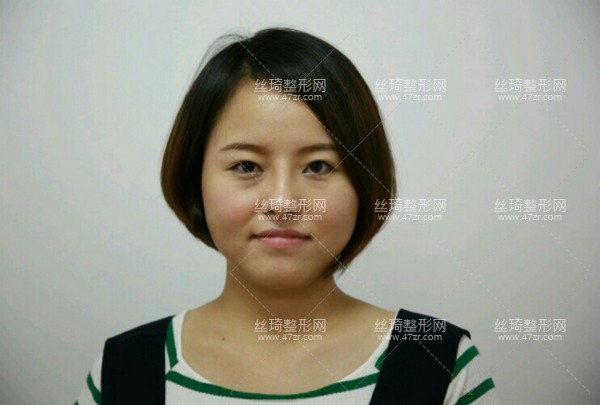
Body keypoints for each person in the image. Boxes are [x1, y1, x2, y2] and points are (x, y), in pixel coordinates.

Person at [75, 27, 500, 404]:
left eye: (318, 166)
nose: (282, 202)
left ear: (365, 184)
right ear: (194, 178)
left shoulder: (438, 363)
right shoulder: (124, 369)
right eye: (247, 166)